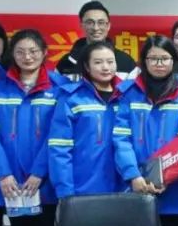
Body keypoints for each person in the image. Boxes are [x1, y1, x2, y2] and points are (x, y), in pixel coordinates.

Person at [114, 35, 178, 226]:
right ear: (144, 61)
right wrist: (133, 175)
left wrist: (163, 178)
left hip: (175, 187)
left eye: (165, 58)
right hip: (134, 185)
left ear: (174, 60)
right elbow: (121, 139)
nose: (159, 64)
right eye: (153, 59)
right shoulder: (129, 93)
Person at [0, 29, 62, 226]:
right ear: (12, 54)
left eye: (33, 51)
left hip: (46, 178)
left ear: (44, 52)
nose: (27, 57)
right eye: (20, 52)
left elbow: (58, 136)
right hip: (10, 180)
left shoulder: (60, 88)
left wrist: (39, 172)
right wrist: (3, 173)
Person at [47, 42, 124, 200]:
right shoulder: (72, 98)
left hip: (125, 188)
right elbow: (60, 148)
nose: (105, 67)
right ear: (87, 67)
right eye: (98, 62)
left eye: (110, 62)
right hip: (82, 188)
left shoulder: (127, 96)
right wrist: (65, 192)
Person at [56, 1, 137, 81]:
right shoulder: (65, 64)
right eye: (90, 23)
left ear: (108, 26)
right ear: (81, 25)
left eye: (101, 22)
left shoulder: (126, 62)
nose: (96, 28)